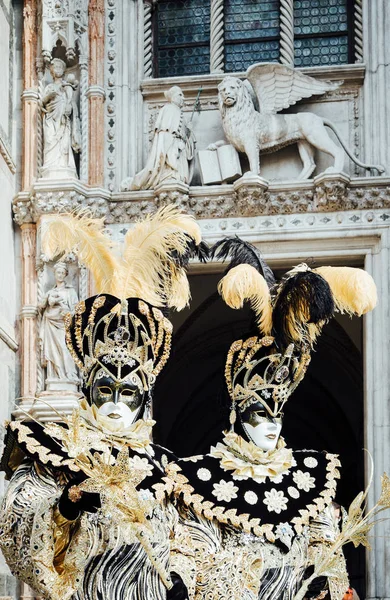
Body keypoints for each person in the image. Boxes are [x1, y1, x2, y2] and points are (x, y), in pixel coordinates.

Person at [0, 207, 205, 600]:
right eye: (104, 389)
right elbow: (18, 534)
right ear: (88, 388)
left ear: (144, 398)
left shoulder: (165, 468)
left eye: (127, 392)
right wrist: (66, 506)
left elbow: (190, 544)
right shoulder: (51, 450)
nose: (115, 402)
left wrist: (183, 578)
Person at [159, 239, 377, 600]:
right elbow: (188, 554)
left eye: (278, 411)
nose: (272, 422)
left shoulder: (312, 481)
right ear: (238, 411)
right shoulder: (199, 482)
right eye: (261, 411)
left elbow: (328, 560)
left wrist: (323, 581)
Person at [121, 86, 196, 191]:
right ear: (173, 97)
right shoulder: (169, 109)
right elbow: (165, 134)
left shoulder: (181, 114)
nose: (183, 98)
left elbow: (185, 139)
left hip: (180, 151)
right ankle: (169, 175)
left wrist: (187, 133)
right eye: (180, 95)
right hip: (172, 150)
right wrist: (170, 153)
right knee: (170, 173)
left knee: (179, 175)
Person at [39, 260, 79, 386]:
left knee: (65, 348)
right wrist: (47, 300)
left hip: (64, 324)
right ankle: (55, 375)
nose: (60, 275)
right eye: (58, 272)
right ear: (55, 274)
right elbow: (41, 306)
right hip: (50, 323)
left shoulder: (70, 292)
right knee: (52, 349)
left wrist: (67, 311)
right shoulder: (50, 292)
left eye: (62, 273)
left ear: (66, 274)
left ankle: (70, 375)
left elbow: (76, 310)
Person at [41, 58, 81, 179]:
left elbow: (71, 103)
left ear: (64, 71)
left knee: (64, 143)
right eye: (55, 67)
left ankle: (63, 165)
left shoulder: (66, 87)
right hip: (51, 118)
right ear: (51, 71)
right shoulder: (49, 87)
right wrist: (49, 96)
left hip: (63, 122)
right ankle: (50, 165)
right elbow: (42, 102)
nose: (58, 70)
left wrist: (70, 107)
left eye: (60, 67)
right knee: (49, 139)